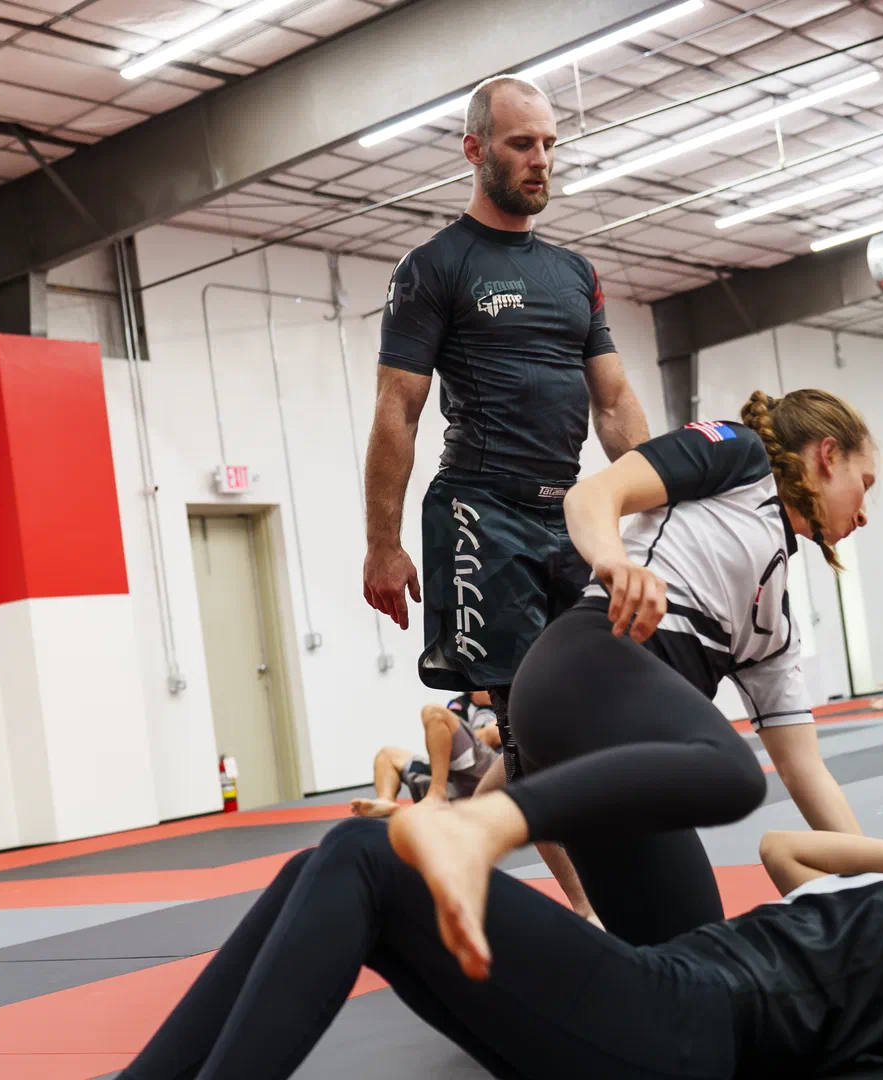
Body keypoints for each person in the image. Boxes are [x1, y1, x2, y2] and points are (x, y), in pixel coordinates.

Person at [117, 795, 883, 1080]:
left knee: (364, 855)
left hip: (682, 1031)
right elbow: (787, 851)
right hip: (658, 999)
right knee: (323, 864)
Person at [392, 389, 874, 956]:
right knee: (736, 772)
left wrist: (882, 882)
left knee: (688, 962)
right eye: (865, 483)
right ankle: (476, 825)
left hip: (611, 749)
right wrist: (612, 561)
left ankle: (416, 889)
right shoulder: (739, 457)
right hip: (583, 667)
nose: (865, 512)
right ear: (827, 454)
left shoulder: (775, 630)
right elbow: (595, 493)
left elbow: (805, 770)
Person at [361, 75, 649, 913]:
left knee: (586, 715)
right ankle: (593, 916)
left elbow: (616, 402)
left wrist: (660, 495)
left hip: (568, 512)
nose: (540, 160)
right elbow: (397, 410)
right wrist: (383, 543)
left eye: (550, 144)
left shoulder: (574, 273)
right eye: (522, 144)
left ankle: (439, 845)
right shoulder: (435, 268)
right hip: (479, 514)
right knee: (531, 728)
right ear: (475, 149)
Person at [349, 692, 501, 819]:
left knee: (434, 712)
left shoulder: (507, 699)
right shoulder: (459, 705)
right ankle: (386, 801)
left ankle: (437, 795)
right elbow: (446, 744)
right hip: (454, 783)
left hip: (493, 776)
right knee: (387, 755)